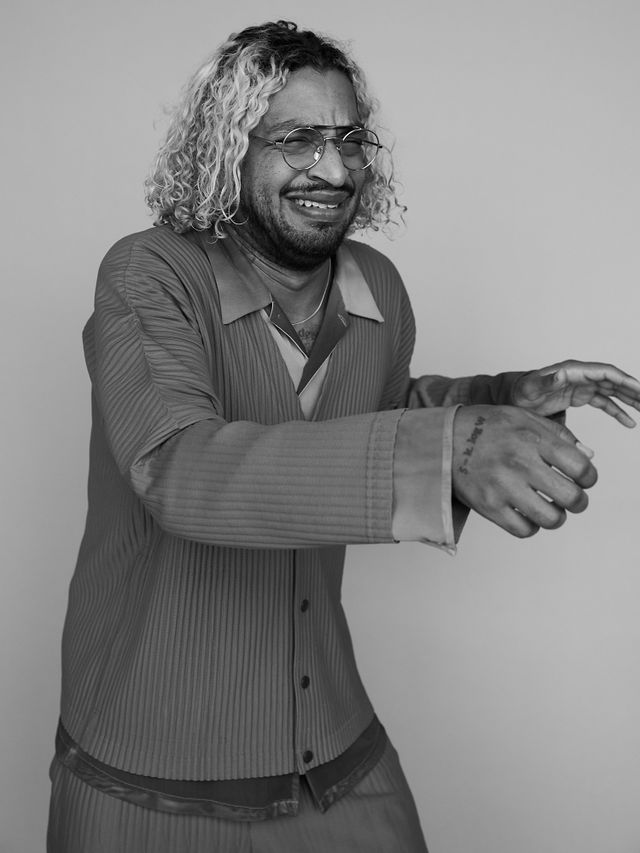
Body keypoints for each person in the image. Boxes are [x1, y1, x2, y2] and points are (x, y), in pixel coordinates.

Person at [47, 20, 640, 853]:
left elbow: (378, 412)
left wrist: (501, 397)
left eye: (350, 140)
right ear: (228, 149)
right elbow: (177, 467)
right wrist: (452, 445)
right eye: (297, 140)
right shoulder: (148, 272)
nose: (333, 169)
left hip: (332, 743)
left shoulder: (379, 288)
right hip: (149, 771)